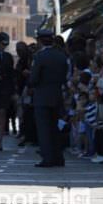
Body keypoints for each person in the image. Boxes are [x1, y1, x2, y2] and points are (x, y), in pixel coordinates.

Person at [31, 29, 68, 167]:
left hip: (42, 96)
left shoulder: (40, 57)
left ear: (40, 41)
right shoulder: (61, 56)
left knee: (44, 129)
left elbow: (34, 78)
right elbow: (64, 76)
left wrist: (29, 80)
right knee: (55, 128)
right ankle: (58, 157)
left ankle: (48, 158)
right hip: (57, 95)